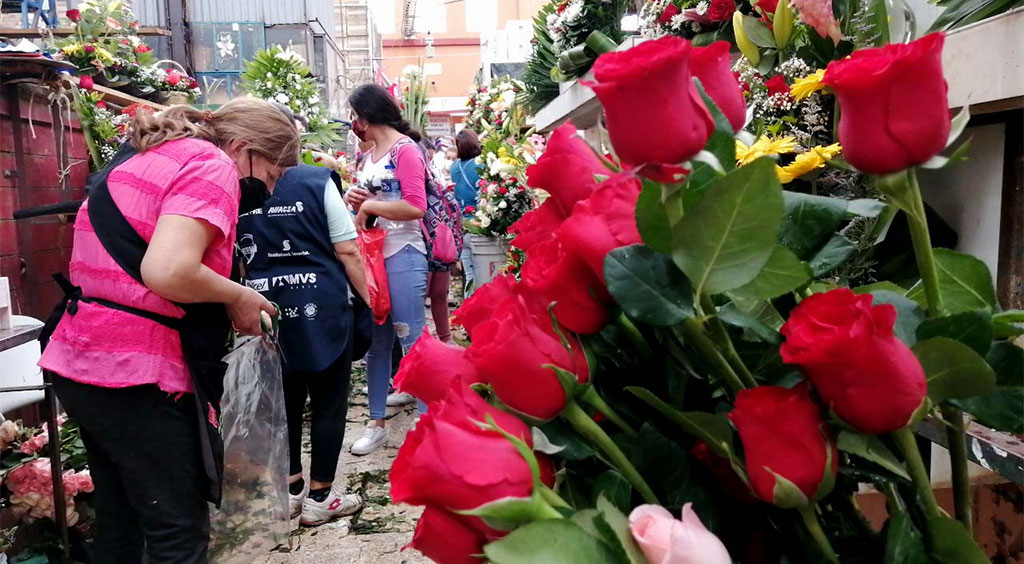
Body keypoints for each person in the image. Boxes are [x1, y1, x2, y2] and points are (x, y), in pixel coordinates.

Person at [38, 99, 298, 564]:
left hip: (83, 361)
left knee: (123, 522)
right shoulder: (212, 164)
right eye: (272, 175)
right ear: (243, 147)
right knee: (177, 534)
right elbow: (168, 270)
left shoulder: (151, 156)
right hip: (137, 372)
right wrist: (237, 296)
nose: (268, 191)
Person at [237, 107, 371, 527]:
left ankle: (292, 489)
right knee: (329, 403)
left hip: (266, 307)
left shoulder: (240, 184)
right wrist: (368, 302)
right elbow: (347, 249)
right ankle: (320, 497)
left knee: (285, 400)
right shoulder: (317, 181)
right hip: (323, 307)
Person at [344, 84, 429, 455]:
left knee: (412, 340)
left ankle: (429, 420)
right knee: (377, 344)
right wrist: (355, 199)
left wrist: (371, 207)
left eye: (355, 116)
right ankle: (376, 420)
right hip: (373, 258)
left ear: (367, 116)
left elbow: (415, 205)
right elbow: (369, 201)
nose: (353, 124)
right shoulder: (369, 156)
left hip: (404, 253)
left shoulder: (406, 151)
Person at [450, 129, 482, 295]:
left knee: (469, 275)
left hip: (462, 225)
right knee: (483, 273)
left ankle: (469, 308)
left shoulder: (454, 167)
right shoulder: (480, 165)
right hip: (479, 225)